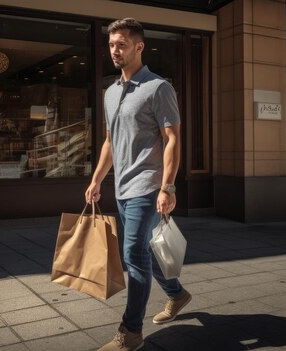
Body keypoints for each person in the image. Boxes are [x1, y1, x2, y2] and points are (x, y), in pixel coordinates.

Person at [85, 18, 191, 351]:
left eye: (122, 44)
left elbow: (172, 138)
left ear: (139, 46)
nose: (115, 50)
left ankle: (130, 332)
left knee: (133, 256)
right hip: (121, 187)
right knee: (145, 250)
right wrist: (97, 179)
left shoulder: (158, 87)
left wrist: (168, 187)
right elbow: (109, 142)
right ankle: (177, 294)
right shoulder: (111, 91)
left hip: (148, 185)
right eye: (111, 44)